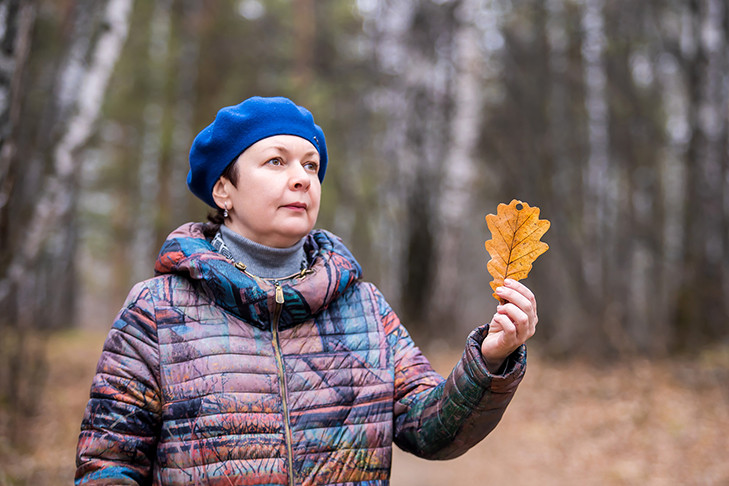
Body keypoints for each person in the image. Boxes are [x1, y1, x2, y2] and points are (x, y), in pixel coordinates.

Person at [75, 96, 538, 485]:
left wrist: (491, 359)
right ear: (223, 189)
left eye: (311, 165)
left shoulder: (364, 307)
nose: (301, 177)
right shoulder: (158, 310)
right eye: (275, 161)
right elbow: (109, 464)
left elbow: (431, 429)